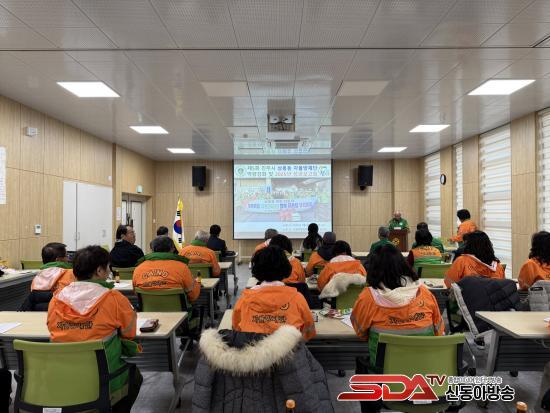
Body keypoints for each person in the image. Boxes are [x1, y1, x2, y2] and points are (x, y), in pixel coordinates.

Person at [47, 246, 142, 412]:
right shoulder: (114, 298)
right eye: (108, 267)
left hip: (63, 378)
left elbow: (51, 327)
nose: (109, 271)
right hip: (103, 380)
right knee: (135, 377)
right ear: (99, 270)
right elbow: (129, 333)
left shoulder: (56, 300)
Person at [351, 244, 444, 374]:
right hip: (423, 369)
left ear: (372, 268)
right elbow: (438, 331)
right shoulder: (425, 293)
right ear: (403, 264)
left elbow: (361, 333)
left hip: (384, 372)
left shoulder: (368, 297)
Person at [232, 245, 316, 340]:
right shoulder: (297, 299)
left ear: (256, 269)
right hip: (289, 349)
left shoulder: (244, 300)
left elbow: (236, 329)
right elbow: (309, 331)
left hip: (253, 348)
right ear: (286, 268)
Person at [133, 236, 200, 302]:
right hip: (177, 308)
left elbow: (136, 294)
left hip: (147, 308)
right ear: (172, 249)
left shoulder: (138, 269)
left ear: (151, 250)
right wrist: (198, 282)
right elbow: (193, 296)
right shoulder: (182, 267)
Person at [21, 242, 75, 311]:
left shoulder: (38, 276)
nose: (68, 259)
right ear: (58, 260)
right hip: (60, 312)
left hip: (37, 312)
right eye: (66, 256)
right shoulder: (70, 273)